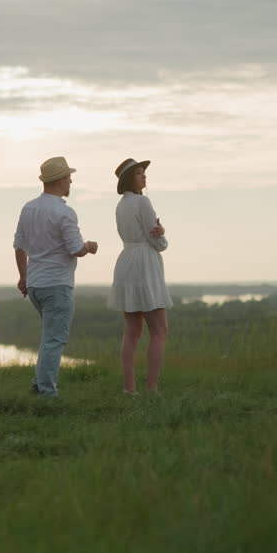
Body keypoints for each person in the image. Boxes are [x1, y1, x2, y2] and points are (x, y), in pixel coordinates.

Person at [13, 156, 98, 398]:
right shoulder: (64, 212)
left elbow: (19, 246)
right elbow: (76, 248)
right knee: (54, 340)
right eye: (69, 177)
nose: (71, 181)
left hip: (35, 286)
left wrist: (24, 277)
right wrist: (90, 246)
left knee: (48, 337)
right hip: (57, 285)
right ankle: (47, 394)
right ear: (60, 180)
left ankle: (38, 385)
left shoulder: (28, 208)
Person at [107, 157, 171, 395]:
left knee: (132, 330)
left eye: (144, 172)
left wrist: (157, 232)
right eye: (138, 173)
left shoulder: (120, 205)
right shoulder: (143, 201)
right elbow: (158, 242)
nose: (144, 176)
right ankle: (152, 388)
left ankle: (129, 388)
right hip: (145, 263)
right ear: (128, 179)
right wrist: (163, 234)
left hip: (126, 261)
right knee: (159, 330)